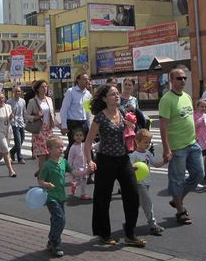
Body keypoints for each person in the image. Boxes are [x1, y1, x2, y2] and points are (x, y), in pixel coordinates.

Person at [84, 84, 145, 247]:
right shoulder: (100, 117)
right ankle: (103, 234)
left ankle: (130, 233)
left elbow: (132, 133)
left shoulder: (123, 112)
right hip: (105, 159)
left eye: (117, 93)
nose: (117, 96)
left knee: (132, 194)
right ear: (104, 99)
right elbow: (88, 141)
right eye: (112, 94)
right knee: (103, 198)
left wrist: (132, 128)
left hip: (123, 159)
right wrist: (89, 160)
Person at [158, 68, 204, 225]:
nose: (183, 80)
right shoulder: (166, 100)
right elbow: (163, 127)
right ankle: (180, 210)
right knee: (177, 180)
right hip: (177, 148)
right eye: (179, 78)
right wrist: (166, 148)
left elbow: (189, 118)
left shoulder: (187, 96)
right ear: (171, 80)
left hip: (192, 143)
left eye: (184, 78)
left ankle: (177, 199)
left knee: (198, 174)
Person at [38, 135, 73, 257]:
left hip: (61, 197)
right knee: (61, 220)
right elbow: (40, 180)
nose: (61, 149)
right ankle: (56, 243)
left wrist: (87, 171)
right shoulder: (47, 165)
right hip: (51, 197)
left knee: (55, 220)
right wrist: (46, 184)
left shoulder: (63, 162)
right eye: (58, 147)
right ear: (50, 150)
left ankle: (51, 241)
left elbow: (74, 172)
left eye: (62, 146)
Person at [128, 129, 167, 235]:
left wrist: (165, 160)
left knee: (138, 204)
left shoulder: (148, 153)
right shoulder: (134, 155)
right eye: (145, 142)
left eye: (149, 142)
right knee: (148, 203)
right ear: (137, 141)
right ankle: (153, 224)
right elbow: (129, 169)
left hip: (147, 182)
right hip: (139, 183)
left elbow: (156, 164)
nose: (148, 144)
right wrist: (133, 169)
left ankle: (129, 224)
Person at [25, 80, 56, 176]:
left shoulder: (49, 100)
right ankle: (42, 175)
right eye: (42, 87)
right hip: (39, 129)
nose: (45, 88)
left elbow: (52, 114)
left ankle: (41, 171)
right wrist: (36, 117)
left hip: (48, 129)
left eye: (46, 86)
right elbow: (26, 116)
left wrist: (59, 125)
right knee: (42, 154)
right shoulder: (33, 101)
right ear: (37, 89)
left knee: (49, 153)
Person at [59, 73, 92, 156]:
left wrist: (89, 125)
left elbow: (88, 111)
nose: (87, 81)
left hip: (84, 123)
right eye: (84, 79)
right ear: (78, 80)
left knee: (85, 145)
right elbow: (64, 109)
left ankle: (86, 164)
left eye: (88, 79)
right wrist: (64, 126)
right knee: (73, 145)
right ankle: (68, 164)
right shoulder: (71, 91)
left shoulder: (88, 94)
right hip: (73, 123)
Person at [0, 93, 17, 177]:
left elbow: (10, 120)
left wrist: (11, 117)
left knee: (3, 151)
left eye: (3, 98)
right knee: (5, 148)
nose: (1, 100)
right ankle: (11, 170)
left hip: (7, 129)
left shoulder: (8, 107)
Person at [67, 128, 89, 200]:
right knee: (83, 179)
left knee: (82, 180)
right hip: (77, 168)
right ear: (73, 137)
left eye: (80, 135)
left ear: (83, 137)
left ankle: (75, 184)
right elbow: (70, 159)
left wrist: (98, 144)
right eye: (77, 135)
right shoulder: (73, 148)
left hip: (84, 166)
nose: (79, 137)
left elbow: (91, 147)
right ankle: (83, 194)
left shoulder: (84, 145)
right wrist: (69, 169)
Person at [7, 86, 26, 164]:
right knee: (18, 141)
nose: (18, 93)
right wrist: (10, 117)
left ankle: (12, 151)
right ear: (13, 92)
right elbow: (7, 112)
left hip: (21, 122)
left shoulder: (23, 101)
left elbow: (24, 111)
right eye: (16, 91)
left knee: (22, 140)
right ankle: (19, 157)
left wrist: (26, 119)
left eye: (19, 91)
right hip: (14, 123)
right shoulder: (9, 102)